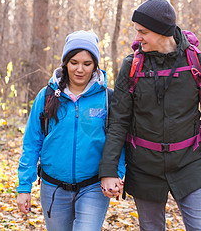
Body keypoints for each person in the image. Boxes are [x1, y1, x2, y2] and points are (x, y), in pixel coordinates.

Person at [99, 0, 201, 231]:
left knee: (200, 227)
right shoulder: (132, 65)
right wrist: (108, 171)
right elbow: (118, 121)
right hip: (144, 165)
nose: (137, 38)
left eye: (143, 32)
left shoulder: (196, 62)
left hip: (190, 162)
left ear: (162, 32)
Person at [17, 30, 125, 231]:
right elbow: (32, 143)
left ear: (95, 65)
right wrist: (24, 186)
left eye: (87, 63)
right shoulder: (48, 95)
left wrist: (116, 173)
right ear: (65, 62)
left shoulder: (108, 98)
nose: (80, 69)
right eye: (74, 62)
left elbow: (117, 139)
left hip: (93, 186)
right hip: (53, 188)